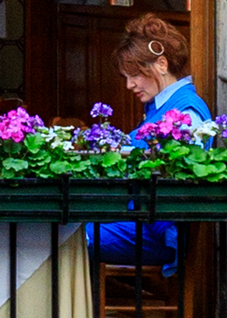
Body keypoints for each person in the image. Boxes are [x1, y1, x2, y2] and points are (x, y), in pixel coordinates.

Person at [89, 14, 211, 276]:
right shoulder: (160, 106)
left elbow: (176, 182)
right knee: (65, 228)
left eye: (135, 75)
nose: (129, 85)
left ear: (162, 64)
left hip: (158, 232)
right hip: (140, 219)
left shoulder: (187, 112)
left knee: (70, 235)